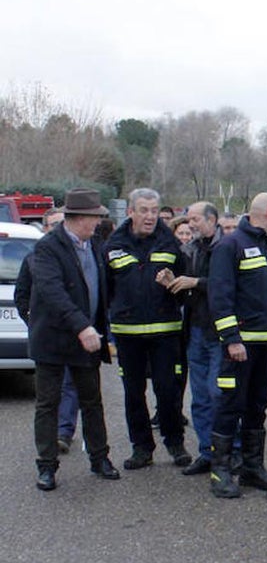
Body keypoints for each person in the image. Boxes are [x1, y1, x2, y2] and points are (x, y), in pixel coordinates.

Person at [28, 188, 121, 490]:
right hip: (54, 341)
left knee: (92, 401)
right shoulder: (47, 248)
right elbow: (51, 291)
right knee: (48, 404)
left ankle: (99, 458)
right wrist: (81, 326)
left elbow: (104, 286)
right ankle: (47, 466)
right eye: (95, 217)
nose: (99, 223)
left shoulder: (94, 244)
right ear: (80, 218)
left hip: (88, 340)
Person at [207, 192, 267, 498]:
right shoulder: (230, 246)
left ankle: (252, 467)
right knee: (230, 405)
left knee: (258, 406)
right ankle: (219, 471)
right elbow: (220, 296)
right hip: (240, 347)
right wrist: (232, 339)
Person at [106, 188, 191, 470]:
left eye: (154, 211)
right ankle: (141, 448)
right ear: (131, 212)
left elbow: (185, 287)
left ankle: (175, 443)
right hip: (128, 333)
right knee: (133, 394)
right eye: (144, 210)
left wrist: (173, 283)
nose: (150, 216)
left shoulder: (170, 244)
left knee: (168, 391)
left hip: (165, 332)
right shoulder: (113, 245)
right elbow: (106, 290)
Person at [15, 207, 81, 455]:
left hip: (73, 331)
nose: (58, 229)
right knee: (48, 394)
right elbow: (22, 294)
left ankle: (64, 432)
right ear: (44, 228)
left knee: (70, 385)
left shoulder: (78, 255)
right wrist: (31, 321)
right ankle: (47, 438)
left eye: (61, 223)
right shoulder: (32, 259)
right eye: (53, 225)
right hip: (46, 335)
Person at [165, 200, 222, 475]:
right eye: (188, 219)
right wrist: (171, 283)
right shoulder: (190, 250)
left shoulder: (227, 248)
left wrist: (195, 282)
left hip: (219, 332)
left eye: (195, 219)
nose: (191, 224)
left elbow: (228, 286)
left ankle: (227, 453)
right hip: (195, 330)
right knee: (200, 398)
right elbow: (186, 292)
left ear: (212, 220)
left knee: (218, 394)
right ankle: (206, 452)